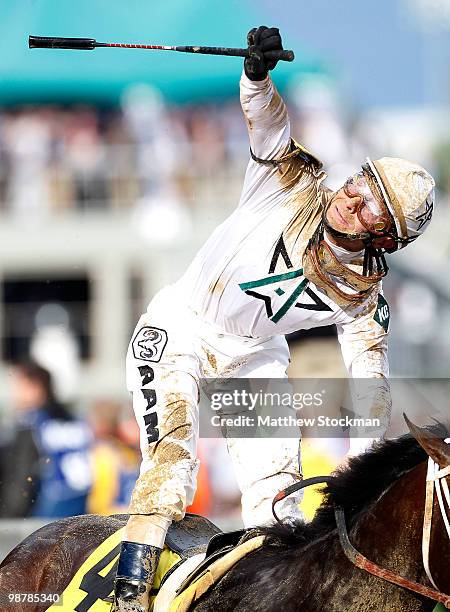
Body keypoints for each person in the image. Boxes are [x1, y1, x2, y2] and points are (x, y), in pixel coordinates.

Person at [113, 26, 435, 611]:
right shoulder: (292, 178)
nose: (352, 194)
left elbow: (370, 390)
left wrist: (355, 479)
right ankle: (126, 596)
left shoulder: (366, 296)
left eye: (370, 202)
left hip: (254, 359)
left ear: (385, 236)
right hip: (179, 331)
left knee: (279, 503)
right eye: (362, 178)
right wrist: (256, 75)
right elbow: (267, 122)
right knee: (174, 467)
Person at [0, 361, 92, 518]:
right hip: (81, 505)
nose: (15, 394)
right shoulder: (76, 420)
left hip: (47, 509)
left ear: (35, 388)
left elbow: (22, 479)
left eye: (19, 387)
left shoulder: (31, 423)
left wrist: (8, 517)